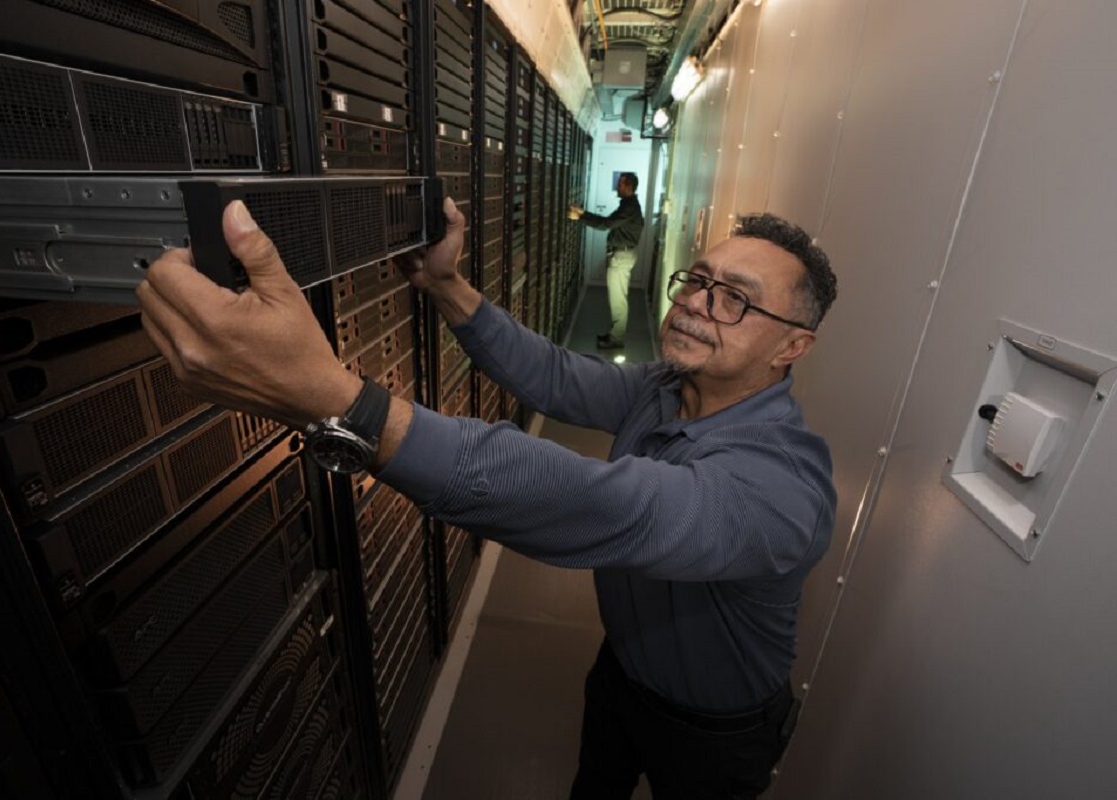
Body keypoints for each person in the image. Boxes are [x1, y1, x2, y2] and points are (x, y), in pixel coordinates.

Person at [135, 197, 838, 799]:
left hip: (715, 733)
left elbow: (604, 505)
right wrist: (445, 284)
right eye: (698, 279)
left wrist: (345, 404)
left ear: (793, 348)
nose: (694, 303)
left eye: (735, 298)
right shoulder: (664, 389)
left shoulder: (783, 488)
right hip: (622, 674)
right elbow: (554, 375)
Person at [568, 171, 645, 350]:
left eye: (620, 184)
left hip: (621, 257)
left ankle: (617, 338)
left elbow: (606, 224)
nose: (617, 187)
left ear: (629, 187)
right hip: (621, 256)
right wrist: (584, 213)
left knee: (618, 300)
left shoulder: (630, 207)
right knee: (617, 299)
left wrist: (581, 217)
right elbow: (609, 221)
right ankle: (614, 333)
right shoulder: (628, 205)